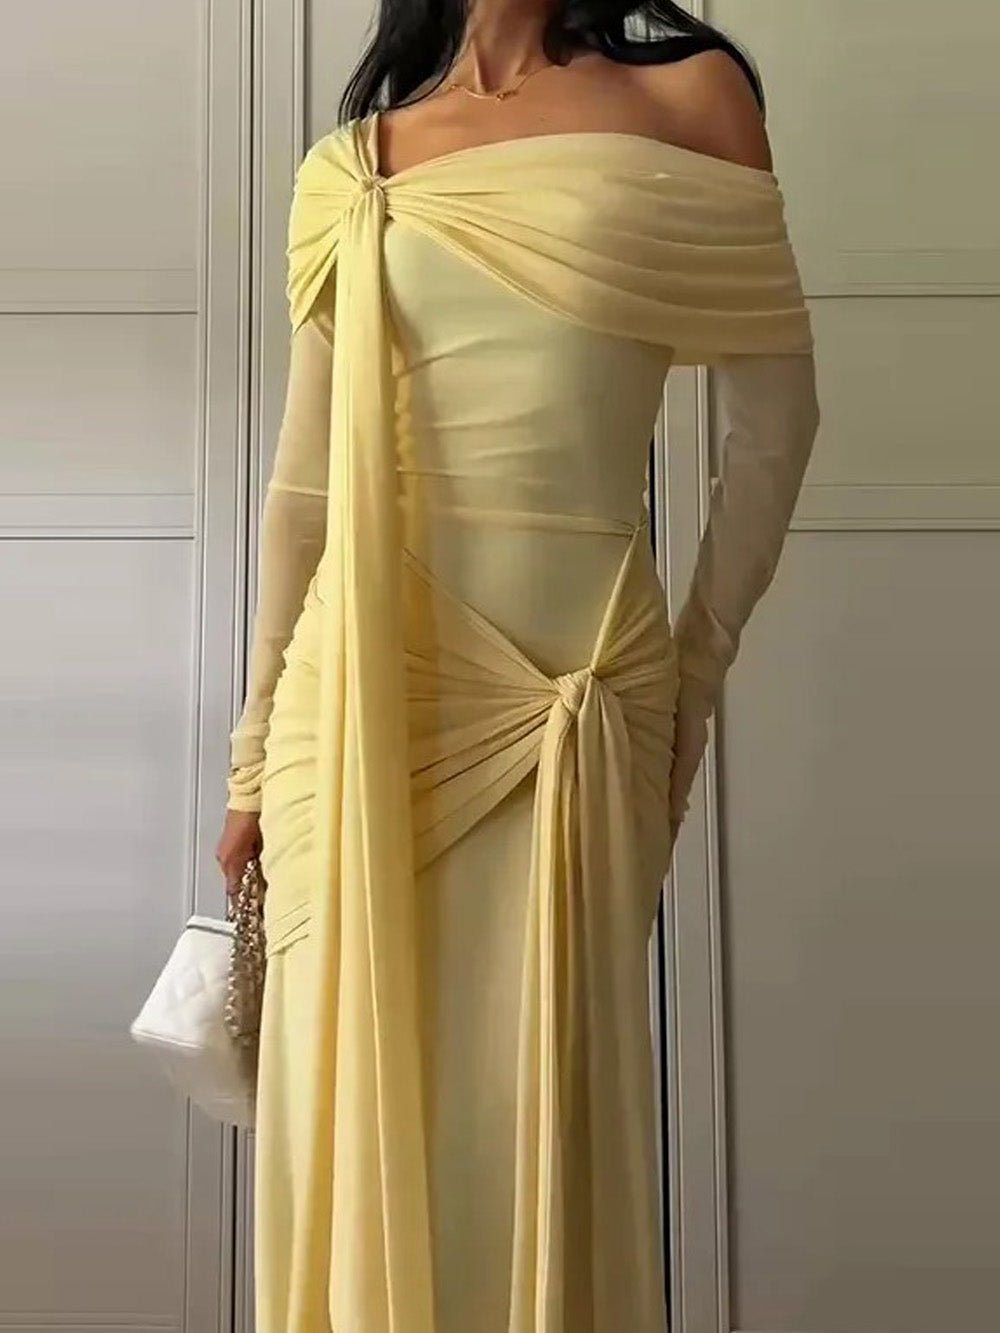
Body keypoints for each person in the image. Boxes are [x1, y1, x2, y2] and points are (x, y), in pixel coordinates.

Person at [216, 3, 820, 1330]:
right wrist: (253, 755)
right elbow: (303, 491)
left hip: (573, 700)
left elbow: (777, 427)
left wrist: (693, 674)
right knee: (346, 1125)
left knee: (521, 1127)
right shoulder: (352, 165)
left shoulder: (691, 99)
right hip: (351, 712)